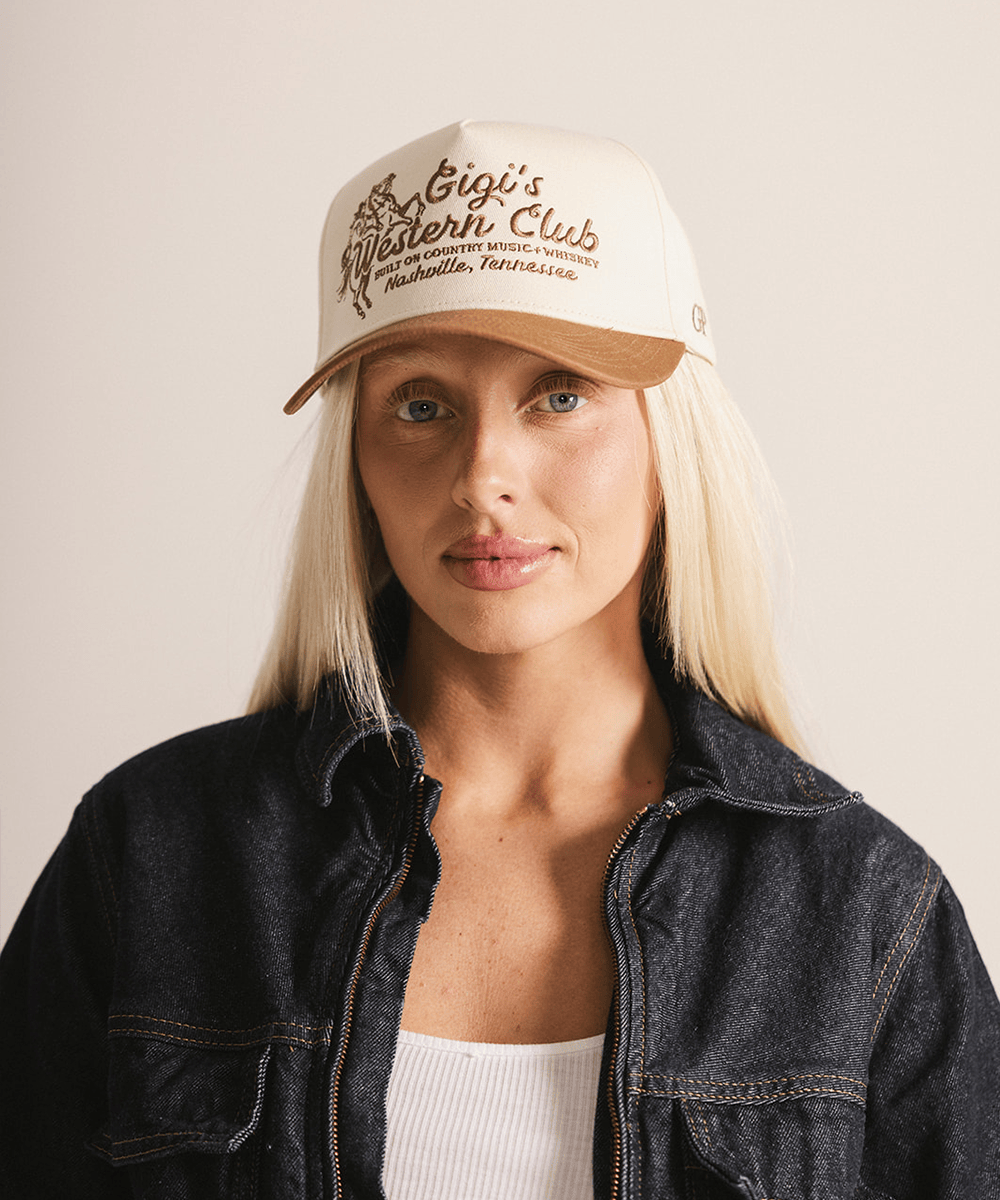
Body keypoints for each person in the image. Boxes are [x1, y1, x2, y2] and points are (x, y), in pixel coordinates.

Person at [1, 120, 997, 1199]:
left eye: (560, 394)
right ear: (359, 466)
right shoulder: (150, 853)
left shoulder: (862, 908)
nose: (484, 476)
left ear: (673, 441)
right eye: (419, 405)